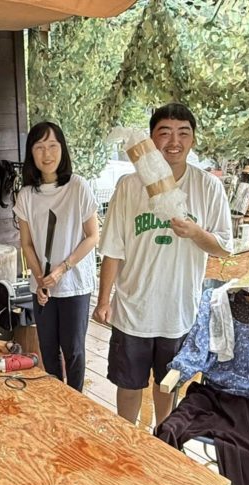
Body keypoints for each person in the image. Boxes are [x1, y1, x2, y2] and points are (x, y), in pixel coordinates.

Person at [94, 103, 233, 426]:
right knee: (129, 384)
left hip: (178, 310)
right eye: (164, 133)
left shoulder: (208, 187)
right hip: (133, 308)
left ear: (193, 139)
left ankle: (164, 437)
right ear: (151, 139)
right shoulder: (129, 186)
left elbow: (224, 248)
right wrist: (103, 301)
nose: (174, 141)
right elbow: (113, 248)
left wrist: (196, 232)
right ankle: (127, 439)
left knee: (167, 384)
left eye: (183, 133)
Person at [15, 121, 99, 392]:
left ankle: (76, 401)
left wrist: (63, 268)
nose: (47, 153)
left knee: (73, 350)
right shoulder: (26, 195)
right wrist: (40, 279)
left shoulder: (78, 186)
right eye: (39, 147)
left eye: (53, 146)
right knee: (49, 350)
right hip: (42, 285)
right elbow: (27, 243)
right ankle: (57, 401)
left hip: (74, 283)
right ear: (31, 153)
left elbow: (92, 236)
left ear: (62, 149)